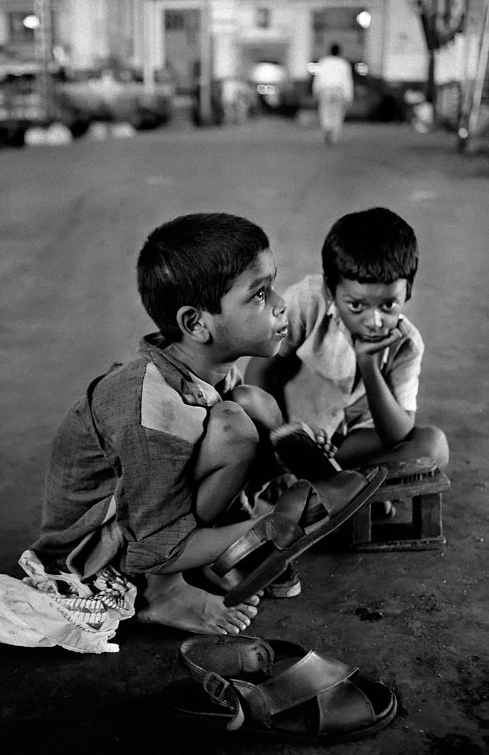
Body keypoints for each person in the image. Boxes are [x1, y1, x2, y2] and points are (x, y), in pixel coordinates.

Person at [30, 212, 382, 636]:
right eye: (258, 294)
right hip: (106, 539)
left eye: (272, 285)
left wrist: (284, 450)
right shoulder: (151, 412)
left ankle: (238, 535)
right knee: (234, 424)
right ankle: (166, 595)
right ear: (196, 324)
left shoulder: (207, 367)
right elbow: (153, 547)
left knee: (246, 405)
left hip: (158, 500)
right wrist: (263, 528)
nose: (280, 303)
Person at [246, 208, 449, 502]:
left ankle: (321, 486)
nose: (375, 321)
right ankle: (338, 488)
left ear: (408, 291)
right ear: (330, 291)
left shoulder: (407, 344)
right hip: (298, 428)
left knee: (434, 446)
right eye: (356, 306)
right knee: (246, 406)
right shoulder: (307, 301)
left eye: (389, 305)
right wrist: (277, 437)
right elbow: (261, 371)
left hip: (353, 446)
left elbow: (397, 434)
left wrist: (368, 363)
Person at [312, 43, 354, 145]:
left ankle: (327, 127)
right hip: (338, 91)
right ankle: (334, 135)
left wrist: (316, 90)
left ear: (329, 51)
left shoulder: (323, 62)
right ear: (339, 52)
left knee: (325, 111)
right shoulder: (344, 64)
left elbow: (318, 78)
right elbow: (347, 81)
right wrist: (349, 96)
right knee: (337, 113)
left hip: (325, 90)